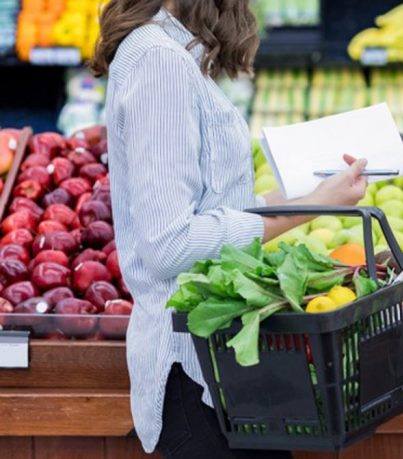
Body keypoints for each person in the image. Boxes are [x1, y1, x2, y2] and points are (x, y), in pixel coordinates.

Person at [90, 1, 368, 457]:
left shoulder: (171, 54)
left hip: (226, 368)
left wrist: (317, 195)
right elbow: (170, 244)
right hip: (194, 374)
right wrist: (307, 211)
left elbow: (216, 210)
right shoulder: (160, 62)